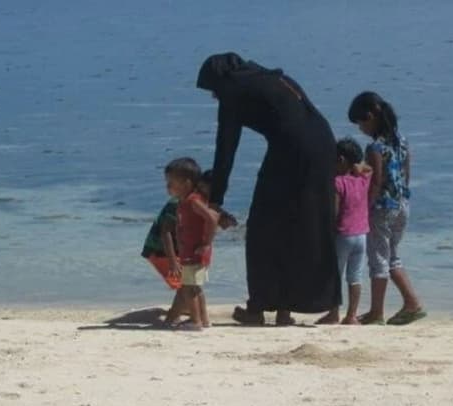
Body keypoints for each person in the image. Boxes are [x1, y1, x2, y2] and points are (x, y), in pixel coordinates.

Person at [196, 52, 340, 326]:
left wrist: (215, 199)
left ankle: (257, 308)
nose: (215, 96)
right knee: (307, 226)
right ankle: (295, 308)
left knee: (263, 228)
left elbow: (226, 148)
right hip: (324, 145)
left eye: (213, 89)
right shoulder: (272, 77)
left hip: (292, 150)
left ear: (221, 81)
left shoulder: (234, 90)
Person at [348, 91, 426, 325]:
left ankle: (376, 312)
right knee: (392, 256)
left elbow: (376, 180)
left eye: (360, 123)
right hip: (402, 204)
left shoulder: (374, 148)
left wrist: (365, 207)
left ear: (370, 117)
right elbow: (407, 175)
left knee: (378, 259)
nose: (360, 129)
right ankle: (412, 302)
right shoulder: (402, 141)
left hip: (382, 207)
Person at [316, 138, 371, 325]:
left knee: (335, 276)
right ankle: (352, 315)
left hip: (343, 235)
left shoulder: (337, 182)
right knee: (355, 276)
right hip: (362, 235)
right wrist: (357, 166)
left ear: (340, 160)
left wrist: (326, 231)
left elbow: (335, 211)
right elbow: (368, 168)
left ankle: (333, 313)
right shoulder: (363, 180)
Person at [164, 157, 217, 330]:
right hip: (191, 251)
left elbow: (211, 218)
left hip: (195, 252)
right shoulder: (183, 202)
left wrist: (206, 243)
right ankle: (204, 319)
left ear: (186, 183)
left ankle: (196, 321)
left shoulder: (193, 201)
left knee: (188, 288)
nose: (168, 187)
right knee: (195, 286)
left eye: (171, 183)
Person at [141, 196, 186, 327]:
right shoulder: (176, 203)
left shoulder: (193, 200)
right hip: (159, 250)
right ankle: (173, 317)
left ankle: (185, 308)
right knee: (186, 283)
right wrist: (173, 261)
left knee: (188, 282)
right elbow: (165, 232)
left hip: (172, 250)